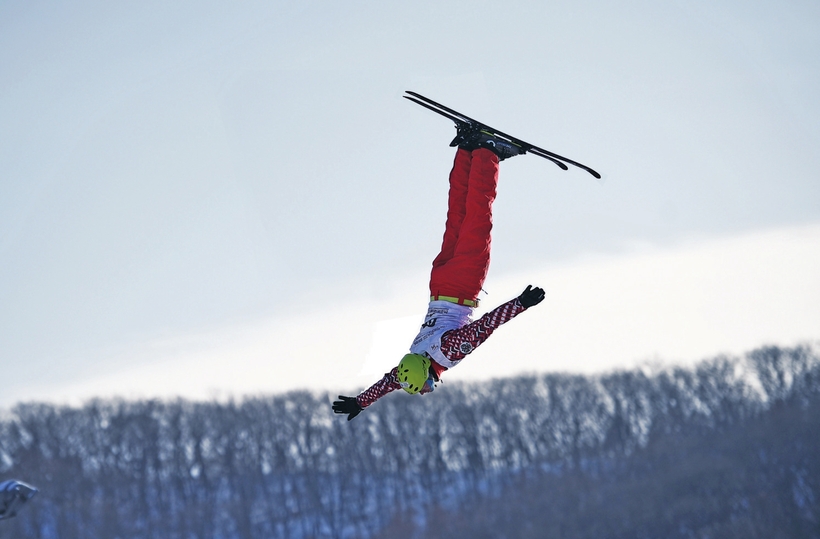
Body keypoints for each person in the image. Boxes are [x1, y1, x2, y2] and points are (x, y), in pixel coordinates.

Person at [332, 127, 546, 421]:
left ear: (425, 374)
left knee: (477, 220)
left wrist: (520, 304)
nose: (428, 389)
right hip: (439, 283)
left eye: (425, 387)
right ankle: (468, 150)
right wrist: (361, 402)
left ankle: (488, 152)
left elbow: (485, 326)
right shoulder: (414, 358)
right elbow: (388, 382)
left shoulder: (449, 352)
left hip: (463, 284)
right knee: (457, 217)